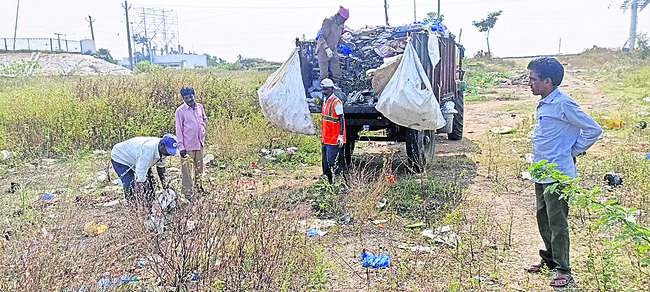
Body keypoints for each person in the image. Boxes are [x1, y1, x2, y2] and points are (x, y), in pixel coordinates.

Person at [525, 58, 602, 287]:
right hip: (541, 171)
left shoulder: (564, 104)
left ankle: (563, 269)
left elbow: (593, 129)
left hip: (558, 174)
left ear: (547, 81)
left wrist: (573, 150)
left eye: (532, 79)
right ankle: (549, 259)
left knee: (558, 222)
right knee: (543, 218)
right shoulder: (545, 102)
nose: (529, 83)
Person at [111, 134, 178, 202]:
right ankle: (134, 208)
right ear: (162, 145)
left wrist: (165, 185)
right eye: (168, 151)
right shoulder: (146, 154)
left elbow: (161, 167)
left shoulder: (163, 150)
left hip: (136, 156)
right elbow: (139, 181)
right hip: (121, 157)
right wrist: (142, 202)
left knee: (150, 184)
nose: (169, 154)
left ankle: (150, 205)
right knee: (130, 186)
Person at [175, 86, 207, 201]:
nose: (190, 99)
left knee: (199, 168)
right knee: (187, 171)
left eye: (191, 96)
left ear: (194, 95)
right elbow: (178, 129)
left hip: (199, 143)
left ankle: (199, 188)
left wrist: (202, 133)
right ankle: (187, 192)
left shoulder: (200, 107)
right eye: (187, 97)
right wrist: (181, 146)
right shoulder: (180, 111)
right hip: (187, 146)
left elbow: (204, 120)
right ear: (183, 98)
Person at [320, 78, 346, 184]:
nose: (323, 91)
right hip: (326, 138)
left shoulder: (336, 102)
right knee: (325, 163)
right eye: (322, 89)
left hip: (334, 139)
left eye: (325, 89)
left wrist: (340, 136)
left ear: (331, 89)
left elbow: (341, 119)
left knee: (333, 162)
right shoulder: (325, 101)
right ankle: (330, 182)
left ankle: (337, 182)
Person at [317, 6, 349, 83]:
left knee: (336, 71)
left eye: (345, 20)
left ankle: (336, 87)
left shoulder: (341, 24)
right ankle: (324, 89)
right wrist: (327, 49)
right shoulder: (329, 21)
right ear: (338, 15)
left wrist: (346, 43)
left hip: (333, 49)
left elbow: (338, 38)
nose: (343, 22)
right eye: (342, 19)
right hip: (323, 49)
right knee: (324, 73)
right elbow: (321, 37)